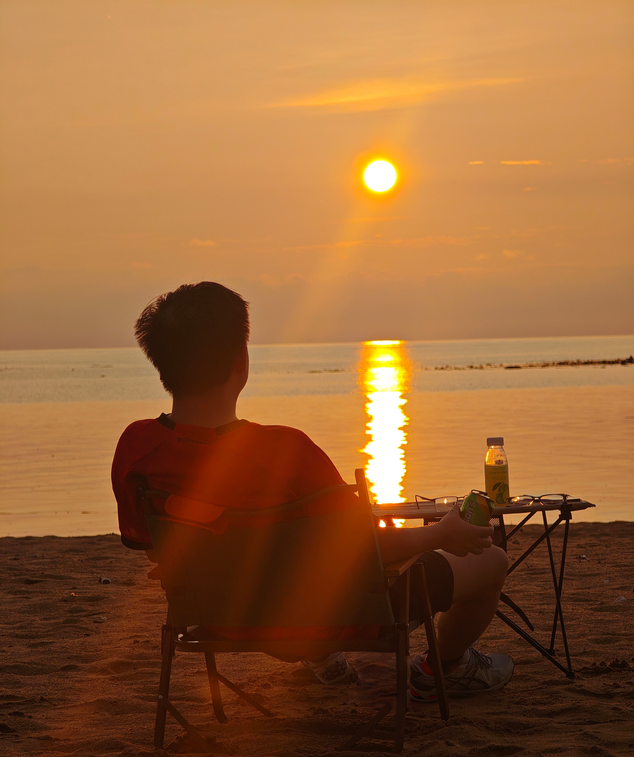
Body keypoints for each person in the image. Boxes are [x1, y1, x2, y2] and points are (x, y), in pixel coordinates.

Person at [112, 281, 513, 700]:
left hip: (214, 614)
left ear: (161, 364)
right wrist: (438, 535)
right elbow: (362, 548)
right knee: (491, 561)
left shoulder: (138, 448)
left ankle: (324, 659)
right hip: (318, 619)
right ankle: (442, 667)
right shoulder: (284, 452)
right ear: (240, 360)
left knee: (286, 564)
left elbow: (152, 544)